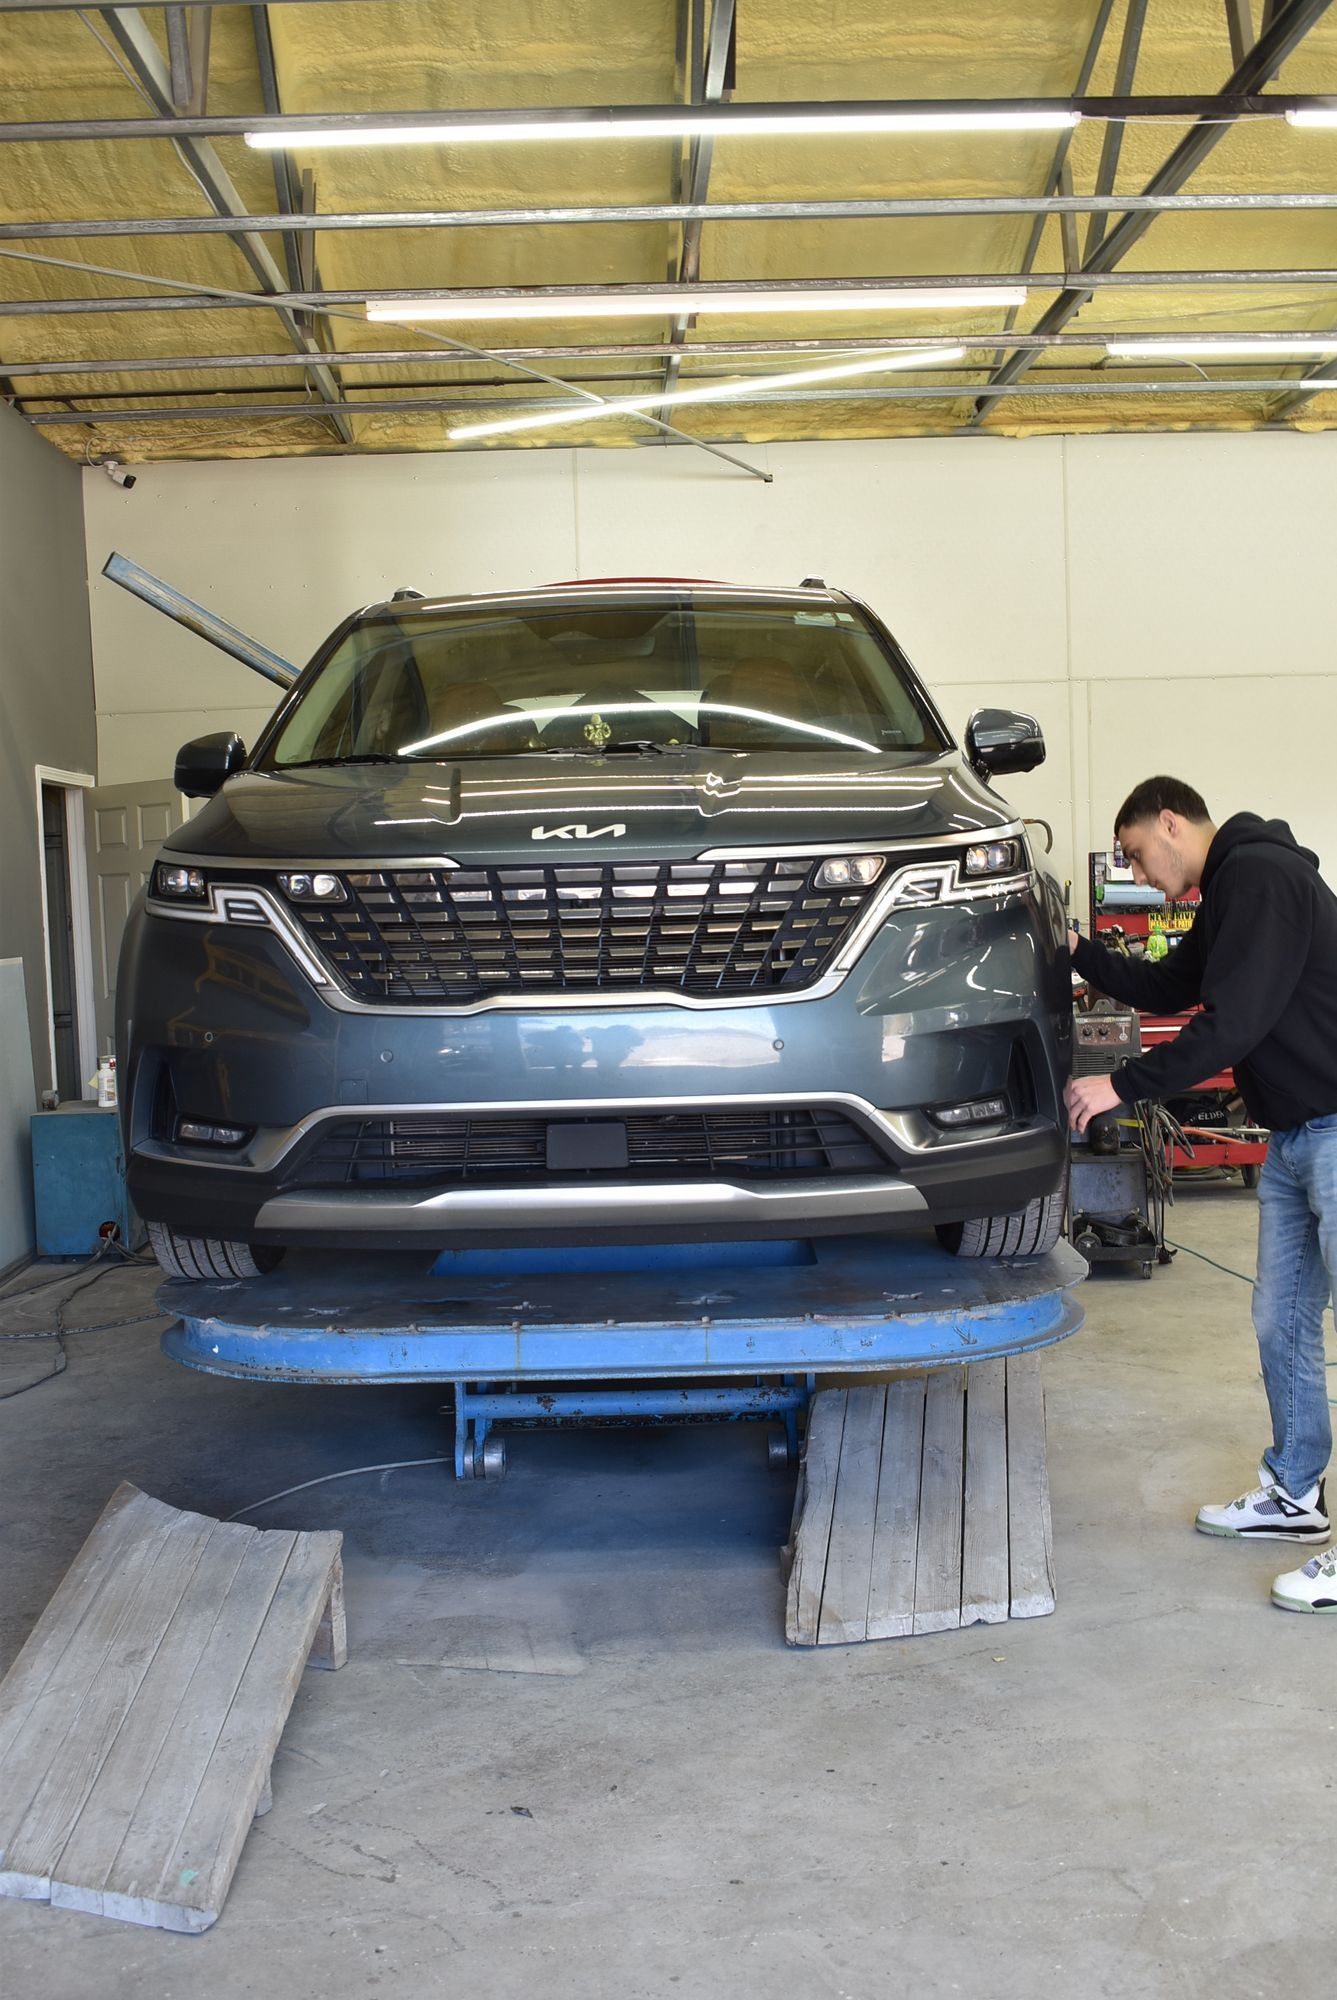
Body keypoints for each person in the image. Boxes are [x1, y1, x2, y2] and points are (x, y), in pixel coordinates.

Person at [1066, 776, 1337, 1615]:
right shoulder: (1225, 893)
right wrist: (1073, 950)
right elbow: (1171, 987)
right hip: (1295, 1137)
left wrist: (1124, 1086)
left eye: (1138, 855)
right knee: (1280, 1319)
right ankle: (1294, 1495)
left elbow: (1232, 1022)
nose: (1139, 875)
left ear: (1171, 824)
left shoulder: (1260, 878)